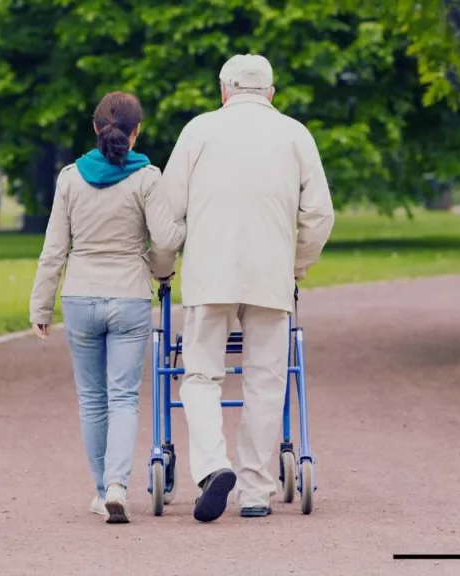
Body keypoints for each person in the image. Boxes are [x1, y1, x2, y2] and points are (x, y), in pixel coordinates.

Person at [155, 54, 335, 522]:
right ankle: (256, 490)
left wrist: (162, 268)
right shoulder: (296, 134)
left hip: (208, 274)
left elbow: (168, 212)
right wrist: (296, 266)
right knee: (265, 379)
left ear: (224, 91)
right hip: (269, 275)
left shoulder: (198, 130)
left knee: (200, 375)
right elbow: (319, 215)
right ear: (271, 94)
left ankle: (213, 465)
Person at [29, 91, 186, 524]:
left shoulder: (69, 179)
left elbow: (54, 250)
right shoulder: (147, 179)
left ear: (96, 127)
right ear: (136, 132)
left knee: (92, 400)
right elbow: (167, 240)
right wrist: (159, 270)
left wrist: (41, 306)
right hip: (129, 296)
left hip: (80, 297)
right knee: (123, 397)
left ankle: (101, 491)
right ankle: (118, 485)